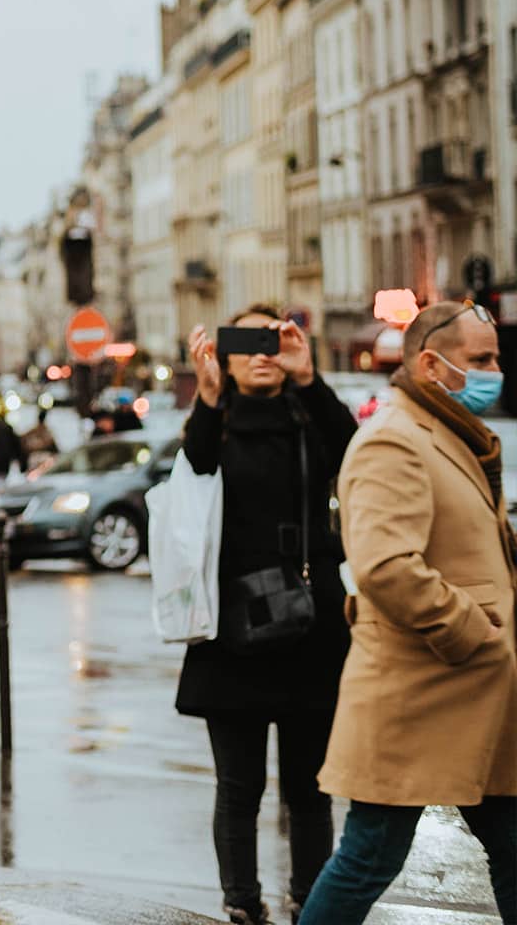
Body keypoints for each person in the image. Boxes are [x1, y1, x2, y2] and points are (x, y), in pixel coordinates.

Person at [302, 301, 517, 924]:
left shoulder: (455, 433)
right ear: (430, 363)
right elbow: (386, 567)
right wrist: (472, 632)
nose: (494, 371)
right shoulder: (394, 438)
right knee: (369, 856)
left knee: (509, 844)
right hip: (417, 690)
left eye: (496, 358)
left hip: (474, 693)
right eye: (480, 360)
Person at [176, 305, 358, 925]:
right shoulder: (216, 420)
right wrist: (206, 396)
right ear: (223, 357)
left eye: (273, 340)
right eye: (246, 341)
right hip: (234, 625)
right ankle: (242, 904)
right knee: (240, 786)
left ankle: (313, 903)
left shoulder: (310, 416)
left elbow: (354, 451)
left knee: (310, 789)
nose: (262, 352)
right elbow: (196, 469)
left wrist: (309, 375)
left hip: (310, 618)